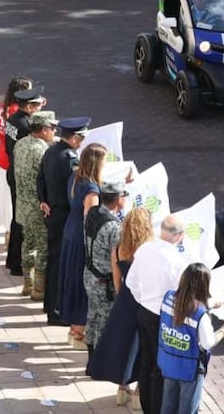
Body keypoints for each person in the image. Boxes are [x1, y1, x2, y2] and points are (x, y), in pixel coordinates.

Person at [88, 206, 152, 407]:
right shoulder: (148, 250)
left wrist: (121, 296)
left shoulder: (118, 248)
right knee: (143, 347)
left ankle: (122, 389)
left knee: (124, 345)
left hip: (124, 300)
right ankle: (138, 395)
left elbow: (117, 278)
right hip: (143, 302)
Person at [126, 214, 189, 414]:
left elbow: (131, 281)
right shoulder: (177, 261)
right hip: (163, 317)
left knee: (146, 361)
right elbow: (181, 294)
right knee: (161, 366)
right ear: (179, 236)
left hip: (144, 311)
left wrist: (143, 299)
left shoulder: (144, 249)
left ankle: (146, 405)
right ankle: (157, 407)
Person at [157, 263, 224, 414]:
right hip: (189, 369)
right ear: (204, 286)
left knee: (167, 406)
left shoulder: (168, 298)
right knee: (187, 409)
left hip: (168, 362)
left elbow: (184, 305)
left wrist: (212, 304)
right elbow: (207, 343)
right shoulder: (200, 315)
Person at [38, 116, 89, 325]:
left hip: (52, 212)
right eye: (82, 137)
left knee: (54, 260)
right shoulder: (69, 159)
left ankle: (50, 305)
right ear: (75, 137)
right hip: (64, 215)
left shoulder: (51, 151)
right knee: (61, 263)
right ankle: (57, 312)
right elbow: (75, 191)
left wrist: (43, 200)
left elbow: (40, 177)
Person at [59, 143, 107, 349]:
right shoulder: (92, 190)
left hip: (70, 231)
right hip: (82, 239)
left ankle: (73, 328)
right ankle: (79, 330)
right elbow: (91, 220)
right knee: (82, 283)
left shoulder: (76, 177)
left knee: (70, 279)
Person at [13, 110, 58, 299]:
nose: (55, 132)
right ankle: (39, 289)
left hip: (22, 205)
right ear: (46, 129)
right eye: (53, 128)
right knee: (42, 247)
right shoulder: (43, 151)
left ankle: (27, 284)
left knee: (27, 243)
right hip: (38, 208)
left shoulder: (21, 144)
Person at [5, 85, 47, 276]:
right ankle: (17, 263)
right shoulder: (26, 126)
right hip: (23, 177)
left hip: (13, 172)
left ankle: (13, 260)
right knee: (23, 220)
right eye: (38, 104)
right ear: (29, 107)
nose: (41, 107)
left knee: (17, 216)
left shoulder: (12, 120)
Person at [84, 180, 128, 359]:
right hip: (105, 282)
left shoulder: (93, 213)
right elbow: (118, 259)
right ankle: (98, 361)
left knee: (92, 316)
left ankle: (90, 356)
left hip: (89, 274)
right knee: (103, 321)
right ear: (118, 199)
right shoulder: (113, 227)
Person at [0, 76, 31, 245]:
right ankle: (11, 239)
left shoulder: (4, 107)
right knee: (13, 202)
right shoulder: (17, 112)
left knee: (5, 199)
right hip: (13, 161)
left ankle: (8, 235)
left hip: (2, 157)